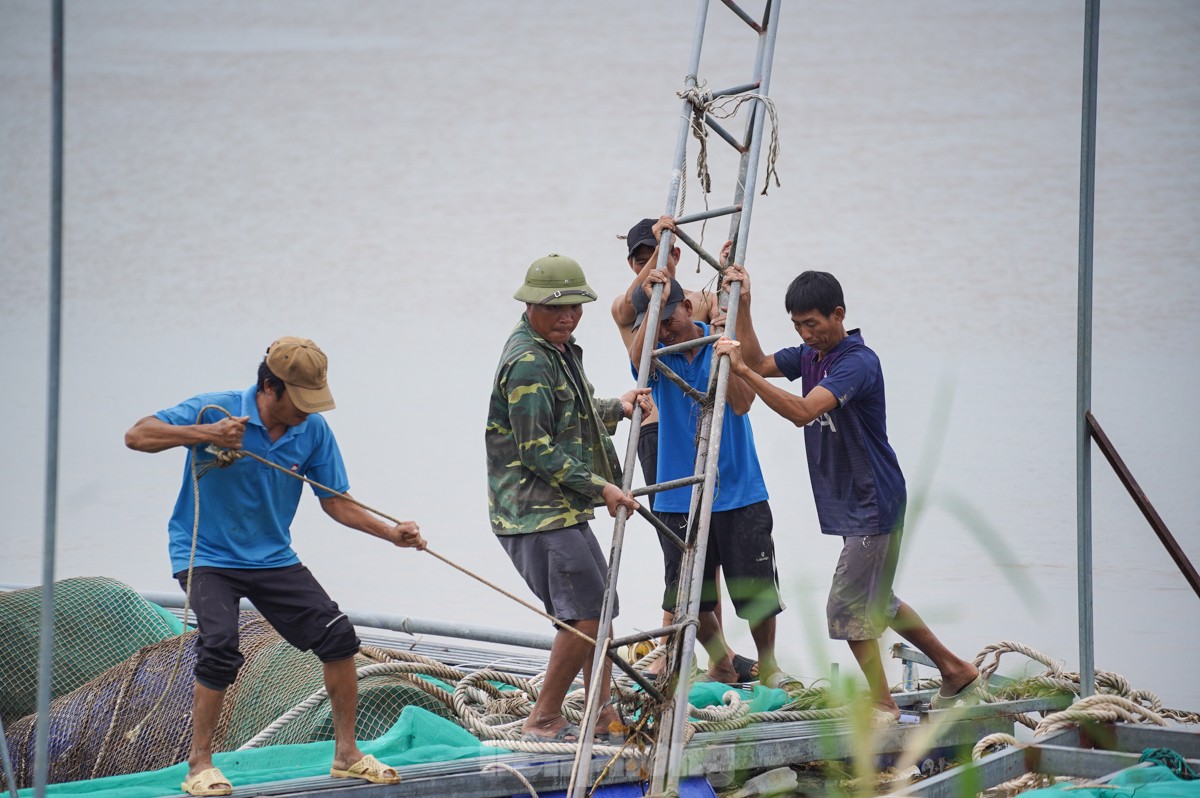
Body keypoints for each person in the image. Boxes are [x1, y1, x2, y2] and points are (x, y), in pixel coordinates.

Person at [125, 337, 426, 796]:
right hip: (206, 554)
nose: (308, 411)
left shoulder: (314, 430)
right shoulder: (214, 410)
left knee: (339, 637)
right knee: (221, 645)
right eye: (299, 401)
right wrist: (207, 436)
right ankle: (199, 765)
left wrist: (391, 534)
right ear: (269, 386)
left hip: (272, 557)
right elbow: (137, 436)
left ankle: (347, 754)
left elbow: (336, 503)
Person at [714, 266, 983, 723]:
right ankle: (955, 670)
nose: (805, 334)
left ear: (838, 315)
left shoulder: (856, 362)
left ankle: (883, 703)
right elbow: (760, 363)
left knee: (847, 606)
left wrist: (739, 370)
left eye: (812, 324)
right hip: (853, 502)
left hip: (873, 502)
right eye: (797, 326)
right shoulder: (810, 355)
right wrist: (746, 303)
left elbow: (801, 411)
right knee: (877, 601)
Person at [486, 254, 651, 744]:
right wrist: (602, 487)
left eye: (576, 307)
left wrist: (617, 408)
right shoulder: (528, 362)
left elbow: (573, 411)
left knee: (596, 607)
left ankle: (603, 713)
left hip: (560, 507)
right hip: (534, 512)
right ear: (532, 305)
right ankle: (543, 719)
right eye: (558, 308)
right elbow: (536, 450)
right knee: (581, 614)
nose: (569, 316)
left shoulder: (557, 349)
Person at [627, 270, 797, 690]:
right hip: (678, 494)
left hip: (738, 487)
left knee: (756, 594)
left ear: (689, 308)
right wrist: (652, 303)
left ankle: (769, 667)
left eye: (671, 318)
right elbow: (636, 361)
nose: (666, 329)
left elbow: (741, 405)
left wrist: (731, 359)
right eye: (658, 323)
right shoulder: (658, 354)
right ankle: (721, 661)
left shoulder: (720, 341)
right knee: (686, 594)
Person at [613, 217, 757, 683]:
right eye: (640, 255)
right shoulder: (634, 300)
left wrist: (731, 271)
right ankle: (672, 643)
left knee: (709, 546)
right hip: (660, 435)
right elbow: (629, 320)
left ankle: (710, 653)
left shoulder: (701, 299)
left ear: (679, 253)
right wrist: (656, 260)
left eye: (658, 252)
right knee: (677, 546)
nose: (649, 261)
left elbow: (734, 337)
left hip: (706, 428)